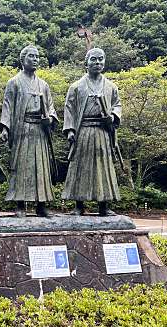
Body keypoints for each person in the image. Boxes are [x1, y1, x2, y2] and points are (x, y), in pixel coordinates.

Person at [62, 48, 122, 216]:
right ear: (86, 63)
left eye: (101, 59)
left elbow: (117, 105)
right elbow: (69, 109)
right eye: (94, 59)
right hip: (84, 131)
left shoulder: (111, 86)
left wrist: (113, 117)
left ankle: (104, 205)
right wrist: (70, 131)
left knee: (103, 168)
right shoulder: (76, 87)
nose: (97, 63)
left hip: (103, 132)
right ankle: (78, 205)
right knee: (81, 167)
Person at [0, 45, 58, 217]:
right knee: (22, 166)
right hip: (22, 129)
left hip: (40, 130)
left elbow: (51, 108)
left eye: (37, 56)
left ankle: (41, 205)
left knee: (41, 166)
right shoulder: (14, 82)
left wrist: (51, 119)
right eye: (31, 56)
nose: (35, 59)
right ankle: (20, 204)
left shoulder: (44, 85)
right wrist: (5, 128)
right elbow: (7, 106)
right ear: (22, 59)